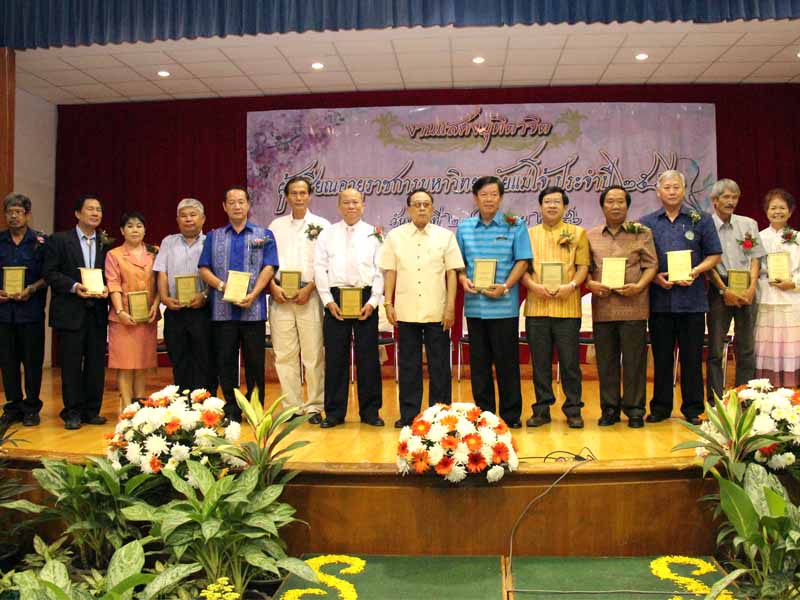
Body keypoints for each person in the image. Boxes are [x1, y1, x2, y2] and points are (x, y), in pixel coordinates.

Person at [640, 171, 721, 425]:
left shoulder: (702, 219)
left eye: (676, 187)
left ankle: (693, 408)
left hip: (692, 302)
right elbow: (640, 260)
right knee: (662, 358)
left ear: (684, 190)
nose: (672, 191)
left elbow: (714, 254)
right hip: (659, 301)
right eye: (667, 187)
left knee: (692, 358)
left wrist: (695, 271)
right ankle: (660, 407)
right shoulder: (646, 223)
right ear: (658, 192)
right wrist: (654, 277)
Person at [380, 188, 464, 428]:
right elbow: (390, 272)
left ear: (433, 209)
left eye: (426, 204)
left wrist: (450, 307)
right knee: (409, 365)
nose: (422, 208)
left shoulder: (445, 236)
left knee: (440, 366)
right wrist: (388, 303)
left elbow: (452, 273)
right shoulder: (395, 236)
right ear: (408, 209)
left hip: (437, 311)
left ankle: (440, 415)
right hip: (406, 311)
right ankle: (409, 415)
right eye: (417, 204)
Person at [456, 176, 532, 428]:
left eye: (494, 194)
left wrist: (506, 286)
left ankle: (511, 416)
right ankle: (484, 416)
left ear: (501, 198)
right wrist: (463, 278)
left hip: (504, 306)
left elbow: (523, 261)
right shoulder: (464, 228)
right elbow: (458, 264)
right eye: (484, 194)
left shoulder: (515, 225)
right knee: (479, 366)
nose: (489, 199)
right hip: (475, 307)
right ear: (475, 198)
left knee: (507, 363)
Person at [199, 187, 278, 421]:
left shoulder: (264, 235)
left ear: (248, 205)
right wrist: (222, 286)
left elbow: (269, 267)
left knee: (255, 363)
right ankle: (231, 408)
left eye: (241, 201)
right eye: (232, 202)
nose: (237, 206)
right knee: (226, 363)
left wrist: (254, 294)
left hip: (253, 310)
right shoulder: (213, 236)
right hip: (222, 312)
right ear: (224, 206)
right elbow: (204, 268)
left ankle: (255, 408)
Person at [585, 186, 657, 428]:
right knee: (606, 362)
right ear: (602, 206)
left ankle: (635, 410)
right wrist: (591, 284)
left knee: (634, 361)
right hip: (604, 308)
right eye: (610, 202)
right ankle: (609, 409)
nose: (615, 206)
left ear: (627, 206)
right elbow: (584, 270)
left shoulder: (642, 233)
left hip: (634, 306)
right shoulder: (591, 236)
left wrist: (639, 286)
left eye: (620, 202)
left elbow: (651, 265)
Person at [314, 187, 385, 428]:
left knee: (368, 358)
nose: (351, 206)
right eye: (346, 202)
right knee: (335, 357)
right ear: (339, 206)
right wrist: (327, 300)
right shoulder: (327, 234)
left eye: (355, 202)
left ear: (363, 205)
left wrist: (373, 301)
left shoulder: (374, 234)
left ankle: (370, 411)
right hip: (336, 298)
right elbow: (319, 268)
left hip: (365, 298)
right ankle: (334, 413)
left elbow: (380, 271)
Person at [523, 185, 590, 429]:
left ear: (565, 206)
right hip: (537, 307)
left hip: (567, 308)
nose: (552, 205)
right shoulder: (528, 234)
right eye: (547, 201)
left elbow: (583, 267)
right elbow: (522, 268)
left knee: (570, 363)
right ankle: (541, 410)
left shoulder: (578, 233)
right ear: (540, 206)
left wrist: (571, 286)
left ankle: (573, 409)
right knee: (540, 364)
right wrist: (533, 286)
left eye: (557, 202)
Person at [42, 194, 110, 430]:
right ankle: (71, 412)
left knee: (95, 363)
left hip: (97, 311)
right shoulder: (60, 240)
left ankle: (92, 410)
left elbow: (110, 274)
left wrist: (108, 288)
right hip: (70, 311)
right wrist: (73, 286)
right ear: (77, 213)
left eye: (98, 209)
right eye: (90, 209)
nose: (95, 213)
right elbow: (50, 272)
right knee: (71, 365)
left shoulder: (105, 243)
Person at [268, 177, 330, 424]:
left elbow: (326, 263)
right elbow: (268, 262)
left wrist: (311, 288)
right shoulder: (275, 226)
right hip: (280, 295)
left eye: (303, 193)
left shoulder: (322, 225)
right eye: (294, 193)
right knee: (284, 354)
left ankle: (314, 406)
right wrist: (272, 287)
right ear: (286, 197)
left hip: (309, 294)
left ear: (310, 196)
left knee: (313, 354)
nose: (299, 197)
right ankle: (291, 407)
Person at [706, 179, 763, 401]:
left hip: (747, 286)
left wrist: (752, 288)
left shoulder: (748, 224)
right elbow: (707, 264)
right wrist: (724, 290)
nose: (731, 201)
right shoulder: (706, 225)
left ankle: (744, 398)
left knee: (746, 347)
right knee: (715, 349)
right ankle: (715, 400)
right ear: (715, 200)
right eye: (726, 197)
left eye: (735, 197)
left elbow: (756, 258)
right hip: (719, 287)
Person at [154, 198, 217, 393]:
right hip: (175, 310)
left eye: (193, 215)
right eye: (183, 216)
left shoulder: (211, 242)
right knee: (178, 359)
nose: (188, 219)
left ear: (203, 219)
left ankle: (206, 402)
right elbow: (161, 272)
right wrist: (164, 298)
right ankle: (182, 404)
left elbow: (217, 275)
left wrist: (204, 296)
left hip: (202, 310)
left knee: (205, 359)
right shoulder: (168, 242)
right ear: (177, 220)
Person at [0, 193, 48, 427]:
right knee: (7, 362)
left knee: (32, 362)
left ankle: (31, 407)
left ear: (27, 215)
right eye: (10, 212)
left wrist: (32, 288)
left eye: (18, 212)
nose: (14, 216)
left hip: (31, 312)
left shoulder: (41, 242)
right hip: (4, 314)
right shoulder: (0, 240)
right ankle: (13, 407)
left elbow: (49, 275)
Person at [105, 211, 160, 406]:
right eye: (129, 226)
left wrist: (156, 305)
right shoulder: (114, 255)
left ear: (145, 230)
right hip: (123, 317)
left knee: (142, 363)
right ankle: (127, 408)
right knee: (125, 364)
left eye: (139, 226)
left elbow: (161, 283)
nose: (135, 230)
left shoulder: (155, 252)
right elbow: (113, 284)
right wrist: (120, 311)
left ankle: (139, 405)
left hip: (147, 316)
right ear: (122, 231)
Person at [754, 188, 800, 387]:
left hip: (791, 298)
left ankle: (791, 385)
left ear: (790, 211)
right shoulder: (757, 238)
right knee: (767, 342)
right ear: (766, 211)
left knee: (790, 342)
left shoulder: (798, 237)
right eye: (773, 208)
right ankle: (766, 385)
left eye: (782, 208)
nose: (777, 212)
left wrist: (793, 283)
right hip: (765, 296)